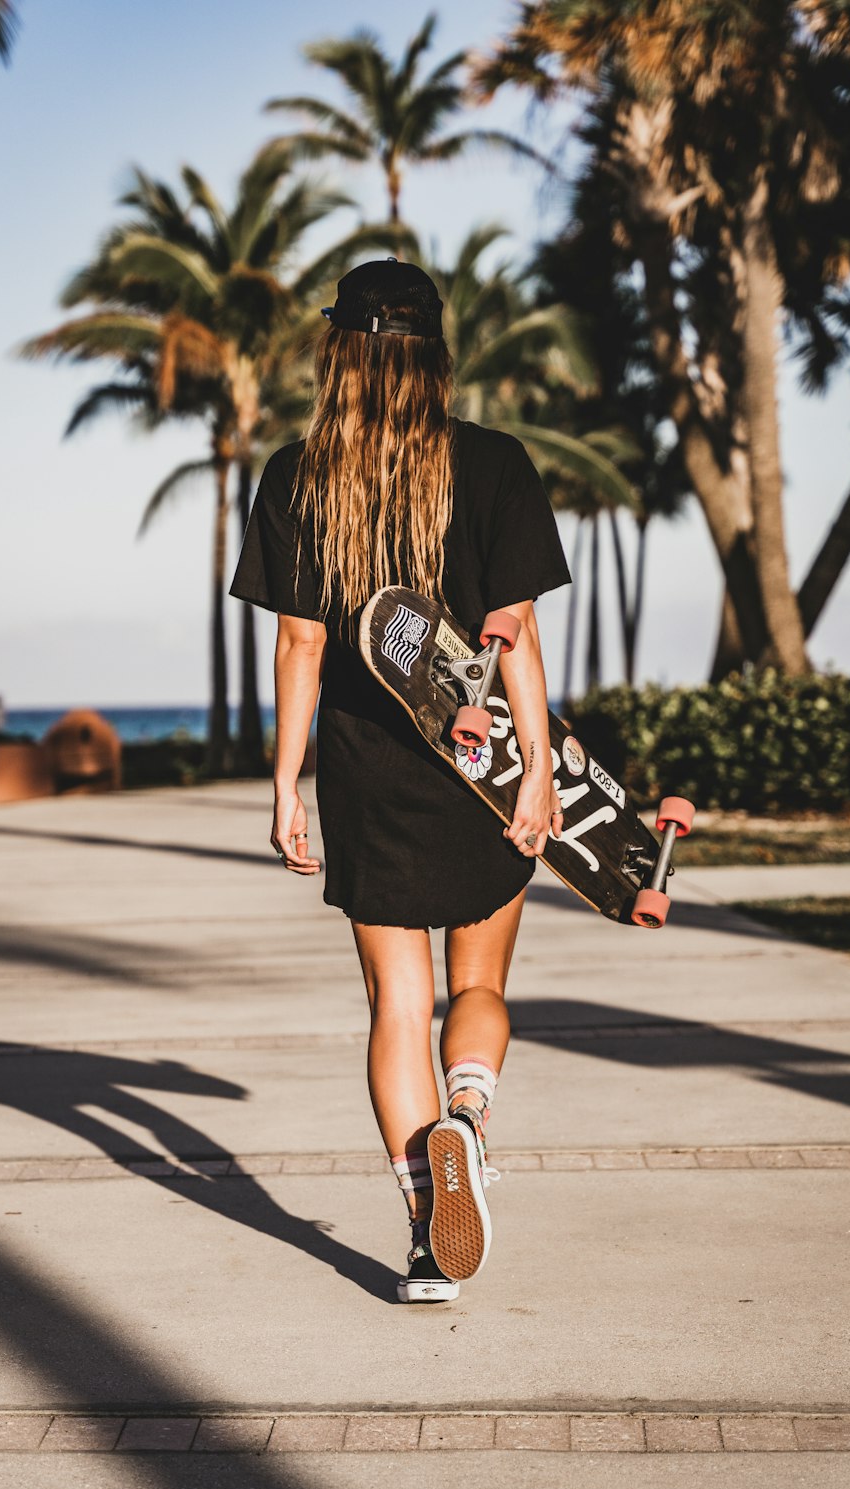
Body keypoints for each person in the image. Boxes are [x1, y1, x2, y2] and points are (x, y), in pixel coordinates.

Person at [230, 259, 571, 1303]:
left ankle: (428, 1238)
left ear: (337, 350)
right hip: (482, 764)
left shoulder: (297, 474)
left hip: (368, 772)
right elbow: (512, 635)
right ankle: (466, 1116)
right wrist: (540, 771)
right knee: (479, 987)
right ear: (436, 350)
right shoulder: (497, 462)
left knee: (394, 1005)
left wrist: (286, 783)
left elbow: (297, 647)